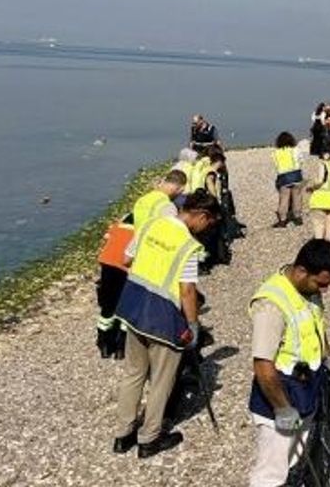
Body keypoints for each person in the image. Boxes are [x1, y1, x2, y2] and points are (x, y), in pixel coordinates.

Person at [112, 190, 219, 458]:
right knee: (161, 380)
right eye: (209, 223)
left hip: (134, 307)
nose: (207, 229)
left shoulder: (152, 224)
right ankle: (149, 438)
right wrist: (193, 326)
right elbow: (187, 291)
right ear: (201, 215)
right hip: (163, 317)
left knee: (133, 373)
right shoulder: (188, 245)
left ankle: (123, 435)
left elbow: (126, 259)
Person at [247, 239, 330, 487]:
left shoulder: (308, 291)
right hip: (279, 396)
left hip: (305, 390)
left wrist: (329, 357)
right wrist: (282, 408)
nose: (324, 290)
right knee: (270, 473)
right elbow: (262, 365)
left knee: (295, 459)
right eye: (320, 284)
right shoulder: (271, 304)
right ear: (301, 271)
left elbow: (316, 327)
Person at [97, 169, 188, 359]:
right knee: (130, 305)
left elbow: (133, 230)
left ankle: (104, 344)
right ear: (179, 188)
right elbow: (169, 233)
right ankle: (122, 347)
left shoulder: (142, 200)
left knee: (108, 305)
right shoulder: (166, 206)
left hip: (126, 254)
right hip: (145, 257)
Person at [273, 132, 305, 228]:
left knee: (284, 198)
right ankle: (297, 217)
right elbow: (301, 161)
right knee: (297, 197)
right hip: (296, 175)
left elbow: (276, 165)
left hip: (283, 176)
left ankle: (283, 219)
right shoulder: (295, 150)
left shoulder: (276, 152)